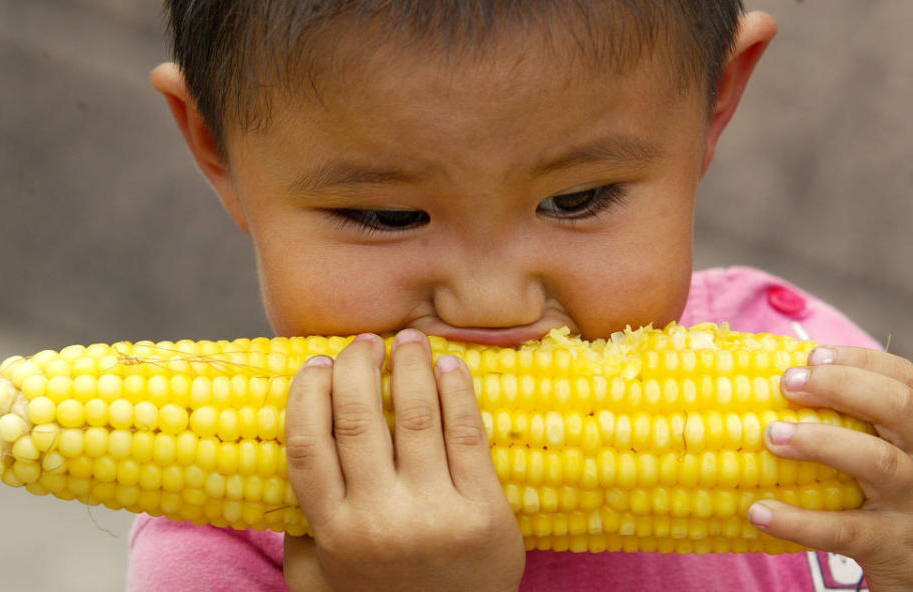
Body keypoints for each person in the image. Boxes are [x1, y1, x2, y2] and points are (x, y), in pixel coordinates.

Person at [129, 1, 913, 590]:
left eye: (577, 201)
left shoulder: (816, 388)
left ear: (714, 101)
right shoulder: (224, 546)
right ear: (216, 147)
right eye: (388, 215)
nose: (490, 303)